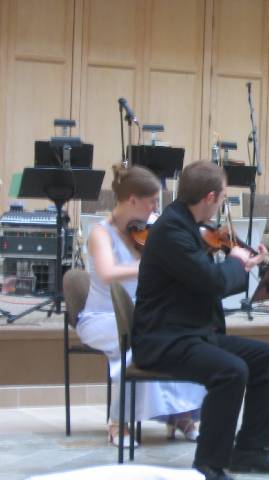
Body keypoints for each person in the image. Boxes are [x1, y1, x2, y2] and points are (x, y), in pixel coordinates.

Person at [131, 161, 269, 480]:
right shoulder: (171, 231)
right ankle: (209, 465)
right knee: (231, 372)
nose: (222, 203)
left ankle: (252, 451)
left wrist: (241, 264)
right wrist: (237, 263)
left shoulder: (186, 224)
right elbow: (212, 283)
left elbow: (204, 279)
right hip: (164, 340)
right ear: (209, 197)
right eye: (222, 197)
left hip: (192, 333)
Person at [77, 165, 205, 447]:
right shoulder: (101, 233)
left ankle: (181, 414)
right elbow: (108, 273)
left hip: (140, 315)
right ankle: (118, 423)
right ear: (132, 200)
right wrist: (148, 265)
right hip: (102, 318)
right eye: (152, 202)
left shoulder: (150, 228)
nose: (156, 207)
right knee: (144, 343)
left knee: (182, 336)